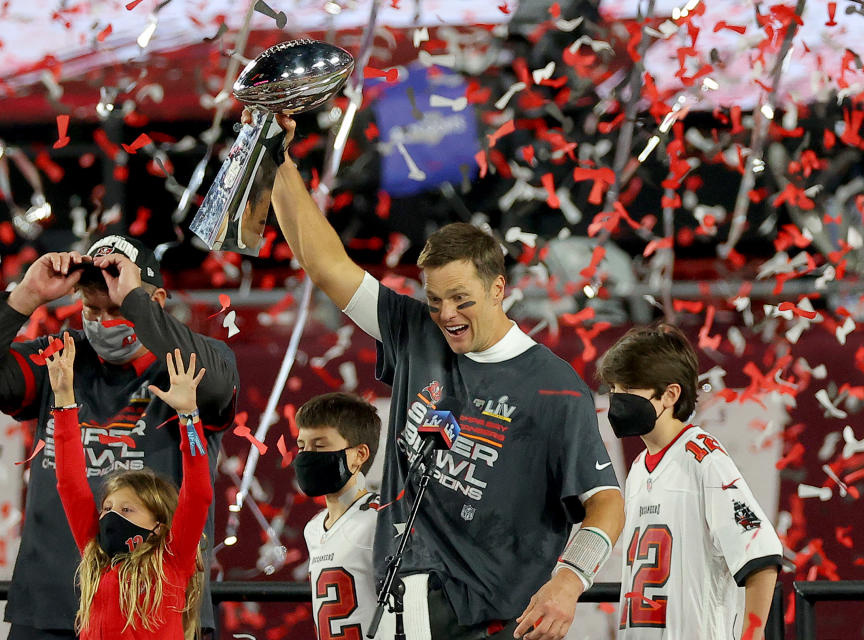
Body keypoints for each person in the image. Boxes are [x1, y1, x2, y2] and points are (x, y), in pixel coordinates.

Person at [260, 109, 625, 640]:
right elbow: (326, 264)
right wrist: (277, 157)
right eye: (435, 301)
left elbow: (606, 501)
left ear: (499, 288)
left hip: (493, 622)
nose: (447, 315)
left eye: (462, 299)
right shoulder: (416, 333)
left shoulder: (554, 387)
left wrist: (570, 580)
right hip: (401, 610)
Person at [0, 234, 239, 640]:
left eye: (116, 307)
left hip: (156, 613)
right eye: (91, 307)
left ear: (154, 301)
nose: (102, 321)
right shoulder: (60, 357)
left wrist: (135, 301)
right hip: (47, 612)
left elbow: (215, 391)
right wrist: (25, 296)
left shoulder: (198, 362)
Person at [597, 324, 783, 639]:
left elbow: (759, 550)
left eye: (628, 389)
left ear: (670, 394)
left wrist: (752, 634)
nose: (617, 400)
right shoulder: (640, 468)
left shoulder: (704, 459)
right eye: (613, 389)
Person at [47, 336, 211, 639]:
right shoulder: (96, 557)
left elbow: (199, 494)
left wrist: (189, 416)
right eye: (107, 508)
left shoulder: (172, 560)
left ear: (159, 526)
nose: (111, 517)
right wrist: (64, 400)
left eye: (126, 510)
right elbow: (69, 484)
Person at [294, 392, 395, 640]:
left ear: (359, 454)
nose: (306, 455)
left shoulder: (382, 518)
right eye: (301, 447)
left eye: (319, 446)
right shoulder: (313, 528)